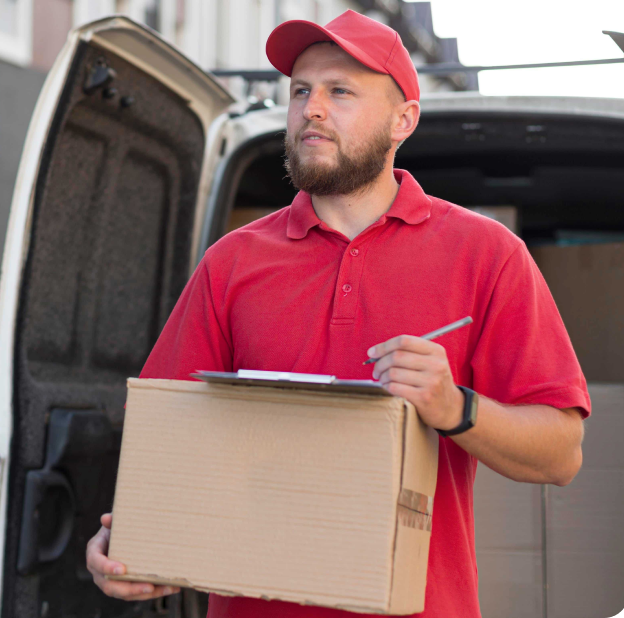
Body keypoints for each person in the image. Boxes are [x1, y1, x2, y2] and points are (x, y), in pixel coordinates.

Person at [86, 9, 589, 618]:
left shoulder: (486, 255)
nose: (311, 109)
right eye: (300, 91)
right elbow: (167, 444)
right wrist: (134, 545)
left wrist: (455, 407)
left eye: (340, 91)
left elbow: (561, 454)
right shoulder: (234, 262)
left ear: (404, 120)